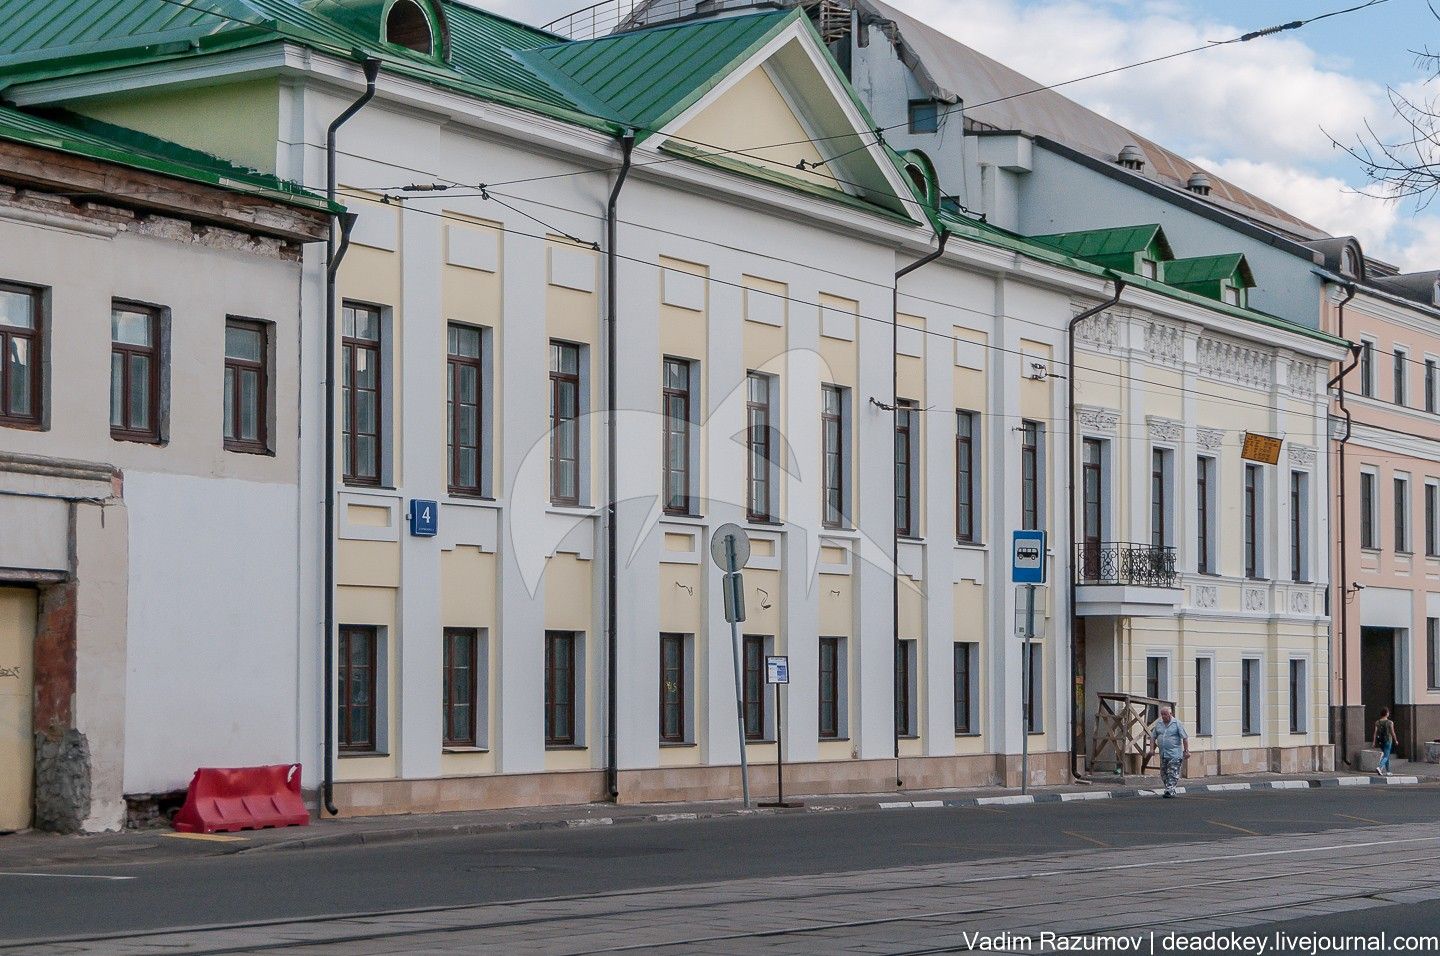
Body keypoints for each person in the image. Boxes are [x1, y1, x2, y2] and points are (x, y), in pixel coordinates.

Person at [1149, 706, 1190, 798]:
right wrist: (1152, 750)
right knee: (1163, 773)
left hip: (1175, 754)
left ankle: (1170, 790)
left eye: (1165, 714)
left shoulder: (1177, 724)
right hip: (1163, 753)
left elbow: (1185, 737)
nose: (1163, 716)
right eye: (1162, 714)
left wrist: (1186, 751)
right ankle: (1170, 789)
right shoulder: (1159, 724)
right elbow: (1153, 737)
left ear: (1170, 714)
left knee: (1172, 772)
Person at [1373, 707, 1396, 777]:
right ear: (1386, 714)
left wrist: (1374, 742)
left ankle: (1388, 771)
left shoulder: (1377, 722)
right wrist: (1396, 740)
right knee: (1386, 756)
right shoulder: (1390, 722)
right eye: (1388, 712)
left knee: (1386, 755)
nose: (1388, 713)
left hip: (1381, 741)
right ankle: (1379, 767)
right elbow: (1392, 732)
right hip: (1388, 740)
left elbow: (1375, 733)